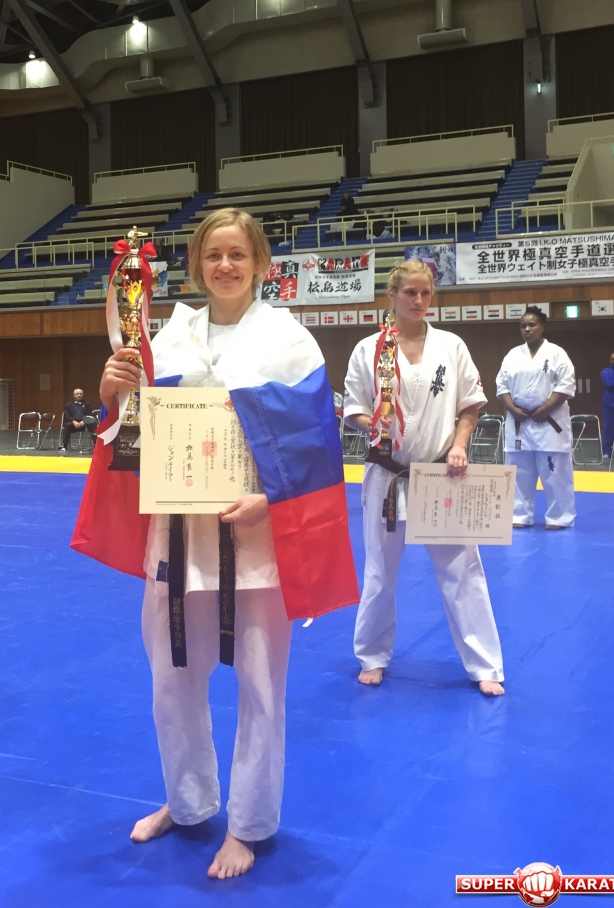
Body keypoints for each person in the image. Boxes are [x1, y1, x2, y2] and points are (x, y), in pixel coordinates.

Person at [85, 208, 358, 880]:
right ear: (196, 265)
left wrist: (272, 498)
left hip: (254, 540)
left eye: (238, 254)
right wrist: (114, 396)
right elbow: (134, 439)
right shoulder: (170, 338)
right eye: (213, 255)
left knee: (261, 687)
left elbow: (317, 445)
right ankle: (187, 802)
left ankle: (249, 824)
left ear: (260, 263)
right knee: (171, 680)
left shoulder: (289, 341)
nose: (226, 266)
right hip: (177, 535)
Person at [343, 260, 505, 696]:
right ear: (392, 295)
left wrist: (459, 445)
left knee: (463, 569)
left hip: (440, 472)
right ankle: (371, 655)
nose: (419, 301)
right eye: (410, 292)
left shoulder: (451, 346)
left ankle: (485, 664)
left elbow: (470, 405)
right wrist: (373, 425)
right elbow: (353, 408)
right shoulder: (370, 349)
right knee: (380, 571)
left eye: (426, 293)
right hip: (387, 473)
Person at [496, 306, 576, 529]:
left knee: (555, 473)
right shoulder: (512, 355)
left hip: (549, 422)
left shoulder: (557, 354)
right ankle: (519, 516)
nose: (527, 329)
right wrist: (512, 409)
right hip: (519, 421)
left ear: (542, 327)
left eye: (532, 325)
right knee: (519, 472)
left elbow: (566, 385)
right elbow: (501, 386)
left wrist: (546, 409)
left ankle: (560, 517)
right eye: (523, 326)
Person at [59, 388, 96, 453]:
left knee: (93, 425)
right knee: (67, 425)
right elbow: (66, 415)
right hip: (73, 423)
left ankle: (96, 446)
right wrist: (73, 421)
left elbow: (90, 414)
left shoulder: (87, 404)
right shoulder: (68, 404)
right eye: (77, 394)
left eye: (81, 394)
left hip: (84, 424)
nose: (79, 395)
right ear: (74, 395)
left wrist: (83, 421)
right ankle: (65, 446)